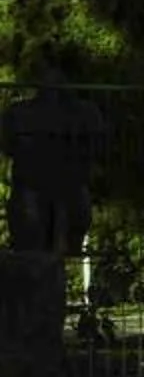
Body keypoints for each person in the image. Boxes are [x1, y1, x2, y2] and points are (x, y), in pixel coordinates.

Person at [2, 77, 108, 257]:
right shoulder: (20, 113)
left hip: (58, 187)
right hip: (39, 187)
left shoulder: (84, 114)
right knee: (33, 244)